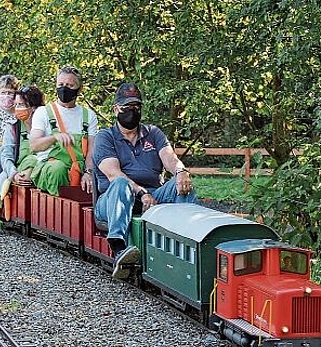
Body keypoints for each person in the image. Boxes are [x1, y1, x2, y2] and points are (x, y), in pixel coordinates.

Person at [93, 82, 197, 279]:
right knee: (120, 184)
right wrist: (142, 192)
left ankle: (189, 246)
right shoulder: (105, 137)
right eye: (126, 107)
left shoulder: (153, 133)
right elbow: (113, 173)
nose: (132, 111)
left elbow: (170, 159)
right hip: (113, 200)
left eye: (136, 107)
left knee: (183, 187)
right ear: (116, 109)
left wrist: (181, 172)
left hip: (153, 195)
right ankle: (119, 248)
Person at [28, 66, 98, 196]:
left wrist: (89, 173)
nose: (64, 88)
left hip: (79, 169)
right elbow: (34, 145)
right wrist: (54, 137)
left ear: (79, 88)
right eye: (60, 84)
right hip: (50, 169)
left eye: (70, 85)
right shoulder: (43, 112)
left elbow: (91, 150)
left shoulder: (88, 115)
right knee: (58, 169)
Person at [0, 86, 45, 232]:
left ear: (33, 108)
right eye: (16, 105)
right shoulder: (13, 128)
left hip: (40, 168)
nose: (17, 109)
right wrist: (13, 174)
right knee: (2, 181)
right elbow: (6, 155)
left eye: (21, 105)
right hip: (18, 170)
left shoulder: (47, 127)